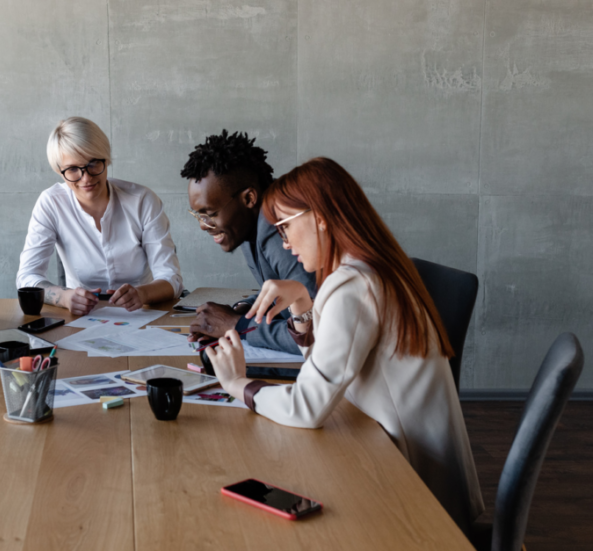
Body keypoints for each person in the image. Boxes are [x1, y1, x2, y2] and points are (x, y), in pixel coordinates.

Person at [204, 158, 484, 532]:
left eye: (286, 227)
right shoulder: (371, 268)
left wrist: (238, 385)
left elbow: (307, 407)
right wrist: (303, 303)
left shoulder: (353, 286)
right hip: (414, 468)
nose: (285, 244)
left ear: (319, 217)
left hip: (413, 494)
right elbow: (322, 369)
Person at [17, 117, 182, 315]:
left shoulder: (142, 200)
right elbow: (27, 277)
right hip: (81, 318)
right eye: (72, 169)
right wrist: (65, 297)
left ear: (106, 158)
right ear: (60, 171)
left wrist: (142, 294)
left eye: (93, 163)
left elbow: (172, 279)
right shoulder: (51, 203)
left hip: (142, 313)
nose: (86, 178)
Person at [181, 130, 315, 352]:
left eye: (211, 213)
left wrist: (237, 325)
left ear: (249, 198)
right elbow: (284, 291)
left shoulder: (280, 229)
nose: (203, 225)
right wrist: (246, 309)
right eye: (198, 215)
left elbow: (314, 331)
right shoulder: (249, 221)